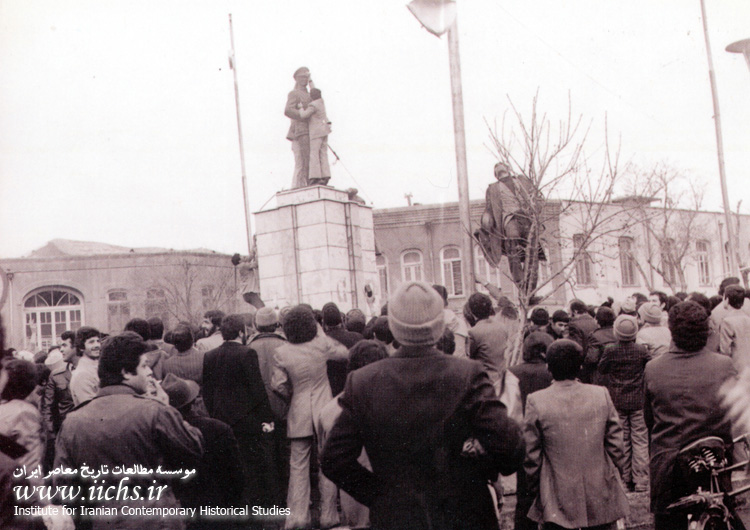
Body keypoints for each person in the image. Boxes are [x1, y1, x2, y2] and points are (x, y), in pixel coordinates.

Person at [322, 281, 524, 530]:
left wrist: (381, 496)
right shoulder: (468, 374)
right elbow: (511, 449)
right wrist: (479, 469)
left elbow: (334, 459)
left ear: (394, 328)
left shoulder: (363, 381)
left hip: (398, 518)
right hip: (465, 515)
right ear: (440, 326)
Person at [54, 332, 204, 530]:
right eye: (143, 366)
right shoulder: (153, 410)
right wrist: (168, 408)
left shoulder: (72, 421)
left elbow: (65, 488)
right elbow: (193, 449)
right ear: (126, 372)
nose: (147, 372)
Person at [644, 301, 736, 530]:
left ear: (672, 332)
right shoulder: (723, 365)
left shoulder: (653, 368)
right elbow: (730, 414)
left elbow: (649, 419)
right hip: (713, 464)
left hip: (669, 466)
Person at [523, 339, 629, 530]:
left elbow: (532, 455)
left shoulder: (537, 401)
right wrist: (617, 475)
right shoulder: (600, 395)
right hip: (599, 490)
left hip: (557, 494)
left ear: (549, 367)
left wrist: (534, 488)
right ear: (580, 367)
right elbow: (616, 445)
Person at [271, 306, 348, 530]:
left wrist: (291, 398)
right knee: (327, 462)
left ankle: (297, 517)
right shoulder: (321, 345)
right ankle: (329, 515)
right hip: (325, 407)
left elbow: (278, 385)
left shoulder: (282, 352)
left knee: (298, 465)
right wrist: (320, 333)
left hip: (299, 407)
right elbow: (343, 353)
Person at [202, 314, 276, 509]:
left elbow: (207, 391)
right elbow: (257, 388)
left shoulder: (210, 356)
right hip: (246, 420)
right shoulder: (247, 353)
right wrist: (267, 417)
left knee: (228, 466)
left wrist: (213, 414)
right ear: (241, 332)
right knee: (250, 466)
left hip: (221, 418)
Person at [316, 340, 388, 530]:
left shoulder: (330, 409)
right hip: (389, 495)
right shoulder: (397, 405)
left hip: (353, 494)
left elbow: (326, 456)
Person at [161, 374, 244, 530]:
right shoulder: (219, 428)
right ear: (193, 402)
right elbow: (236, 474)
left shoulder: (164, 433)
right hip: (218, 505)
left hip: (183, 510)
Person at [599, 315, 649, 492]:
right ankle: (642, 480)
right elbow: (648, 367)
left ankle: (625, 479)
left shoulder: (610, 350)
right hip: (638, 400)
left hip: (618, 400)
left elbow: (602, 369)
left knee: (622, 440)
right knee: (640, 440)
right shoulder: (641, 350)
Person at [509, 332, 554, 530]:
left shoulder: (511, 373)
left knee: (524, 495)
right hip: (550, 438)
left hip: (522, 439)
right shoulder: (552, 372)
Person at [247, 306, 290, 506]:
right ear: (276, 324)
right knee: (285, 452)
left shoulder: (248, 347)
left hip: (259, 410)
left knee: (265, 455)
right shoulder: (285, 345)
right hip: (284, 406)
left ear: (256, 325)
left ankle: (270, 498)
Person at [467, 292, 509, 392]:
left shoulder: (473, 332)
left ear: (472, 312)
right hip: (503, 380)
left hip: (486, 382)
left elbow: (469, 357)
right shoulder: (502, 327)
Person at [285, 67, 313, 189]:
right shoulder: (294, 93)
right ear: (296, 79)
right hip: (299, 131)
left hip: (311, 131)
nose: (304, 80)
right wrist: (303, 115)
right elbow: (288, 110)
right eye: (302, 77)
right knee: (301, 162)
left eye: (306, 77)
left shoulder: (310, 95)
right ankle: (298, 187)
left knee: (310, 161)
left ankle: (308, 184)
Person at [298, 87, 331, 186]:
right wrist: (310, 80)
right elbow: (314, 89)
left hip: (316, 133)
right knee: (323, 154)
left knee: (314, 154)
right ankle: (326, 175)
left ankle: (315, 176)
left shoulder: (313, 105)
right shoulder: (321, 102)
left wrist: (300, 108)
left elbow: (304, 115)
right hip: (324, 131)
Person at [433, 284, 469, 358]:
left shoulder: (428, 325)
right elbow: (467, 350)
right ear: (446, 299)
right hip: (460, 365)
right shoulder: (461, 322)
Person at [719, 285, 750, 370]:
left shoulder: (727, 321)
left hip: (737, 367)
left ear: (727, 299)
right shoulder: (748, 318)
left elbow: (725, 350)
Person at [68, 326, 101, 406]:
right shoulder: (82, 374)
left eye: (98, 341)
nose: (97, 345)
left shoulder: (96, 366)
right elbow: (90, 408)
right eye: (91, 342)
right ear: (82, 347)